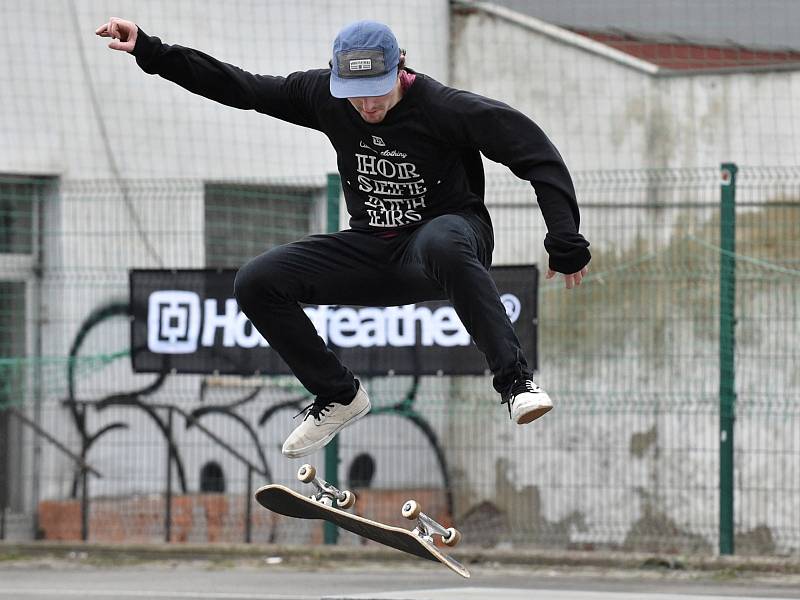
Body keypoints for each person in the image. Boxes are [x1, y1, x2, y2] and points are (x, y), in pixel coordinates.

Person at [96, 17, 590, 459]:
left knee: (441, 239)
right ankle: (338, 395)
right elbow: (243, 87)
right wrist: (151, 51)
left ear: (401, 70)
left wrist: (564, 241)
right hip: (374, 249)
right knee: (256, 281)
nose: (367, 104)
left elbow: (535, 153)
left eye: (377, 90)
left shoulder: (446, 108)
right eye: (355, 93)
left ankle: (516, 384)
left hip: (449, 242)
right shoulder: (323, 97)